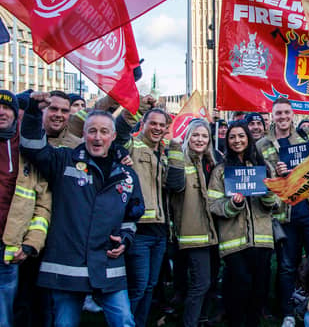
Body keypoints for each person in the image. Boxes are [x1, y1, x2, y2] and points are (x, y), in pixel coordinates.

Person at [20, 93, 144, 327]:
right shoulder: (63, 160)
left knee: (124, 321)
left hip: (108, 265)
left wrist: (125, 239)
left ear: (113, 136)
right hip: (67, 265)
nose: (98, 138)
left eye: (104, 132)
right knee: (65, 323)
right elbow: (32, 147)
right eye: (92, 131)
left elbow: (133, 214)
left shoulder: (126, 174)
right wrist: (34, 112)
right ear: (83, 134)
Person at [256, 96, 309, 327]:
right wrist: (277, 173)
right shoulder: (263, 144)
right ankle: (287, 312)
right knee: (286, 265)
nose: (283, 117)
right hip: (285, 214)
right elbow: (260, 177)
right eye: (278, 113)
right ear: (272, 116)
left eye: (286, 112)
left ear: (292, 114)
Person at [208, 121, 276, 327]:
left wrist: (268, 195)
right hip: (234, 241)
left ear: (248, 138)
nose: (237, 140)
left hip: (261, 239)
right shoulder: (221, 170)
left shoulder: (263, 167)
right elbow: (213, 203)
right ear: (227, 141)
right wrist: (232, 205)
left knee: (258, 289)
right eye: (232, 137)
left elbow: (276, 204)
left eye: (241, 136)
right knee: (240, 286)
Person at [116, 99, 170, 327]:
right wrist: (136, 108)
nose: (157, 128)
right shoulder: (133, 146)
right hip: (138, 229)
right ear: (144, 124)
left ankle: (138, 323)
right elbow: (120, 131)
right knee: (138, 286)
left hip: (160, 230)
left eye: (162, 125)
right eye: (153, 123)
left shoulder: (164, 153)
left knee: (149, 285)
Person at [0, 90, 51, 327]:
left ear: (15, 114)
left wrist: (31, 244)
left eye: (7, 107)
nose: (2, 112)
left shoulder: (27, 151)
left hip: (8, 248)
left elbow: (42, 204)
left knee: (5, 315)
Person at [167, 119, 218, 327]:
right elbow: (175, 186)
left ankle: (202, 318)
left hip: (213, 231)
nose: (200, 139)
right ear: (188, 137)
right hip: (194, 233)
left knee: (210, 281)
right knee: (201, 283)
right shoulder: (182, 161)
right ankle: (190, 322)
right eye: (195, 135)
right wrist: (175, 151)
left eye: (204, 136)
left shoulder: (211, 163)